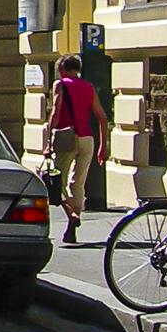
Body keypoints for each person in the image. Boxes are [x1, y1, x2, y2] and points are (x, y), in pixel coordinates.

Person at [44, 54, 110, 245]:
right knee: (78, 183)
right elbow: (102, 117)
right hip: (87, 139)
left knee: (58, 183)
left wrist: (48, 143)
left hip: (66, 137)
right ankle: (72, 227)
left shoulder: (61, 84)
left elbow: (56, 112)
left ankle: (72, 215)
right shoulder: (88, 87)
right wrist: (103, 147)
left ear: (62, 68)